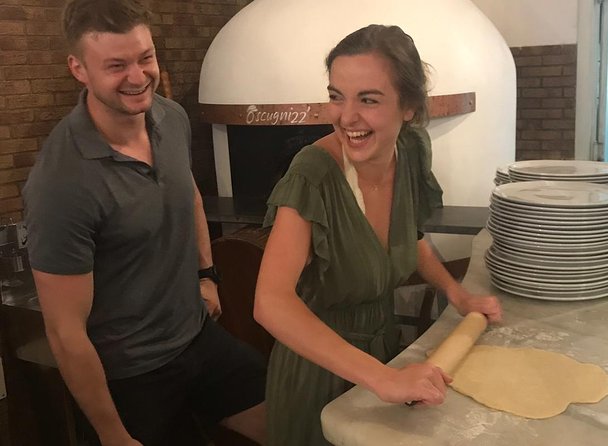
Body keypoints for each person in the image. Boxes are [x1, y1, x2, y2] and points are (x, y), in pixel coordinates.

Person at [22, 1, 266, 445]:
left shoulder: (169, 118)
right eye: (116, 65)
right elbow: (64, 332)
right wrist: (113, 435)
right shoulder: (61, 183)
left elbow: (186, 189)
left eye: (145, 58)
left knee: (291, 420)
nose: (137, 77)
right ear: (78, 68)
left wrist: (206, 275)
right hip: (131, 375)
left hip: (196, 337)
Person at [254, 24, 503, 445]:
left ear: (408, 107)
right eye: (337, 96)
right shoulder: (311, 176)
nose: (346, 116)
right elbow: (270, 303)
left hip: (385, 355)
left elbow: (408, 236)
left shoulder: (410, 151)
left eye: (368, 99)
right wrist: (382, 379)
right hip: (316, 376)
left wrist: (455, 292)